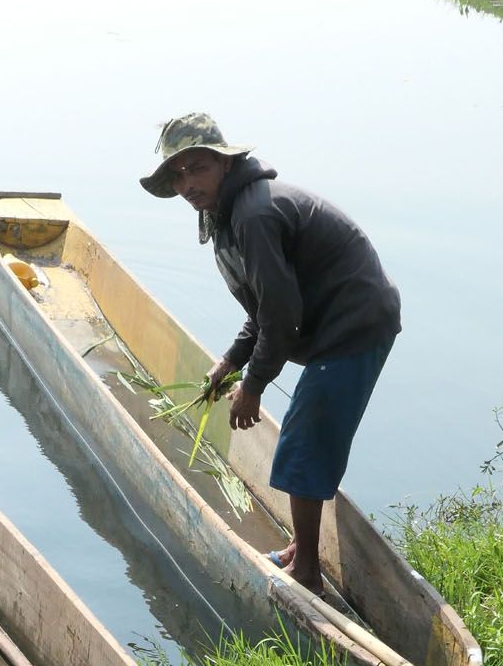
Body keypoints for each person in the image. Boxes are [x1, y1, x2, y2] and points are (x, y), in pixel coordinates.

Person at [140, 113, 400, 596]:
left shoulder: (254, 215)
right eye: (177, 175)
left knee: (304, 443)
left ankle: (306, 573)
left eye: (197, 168)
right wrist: (229, 364)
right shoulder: (229, 210)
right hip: (328, 324)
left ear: (224, 162)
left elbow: (281, 318)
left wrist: (253, 387)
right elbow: (264, 308)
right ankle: (302, 551)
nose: (188, 184)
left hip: (353, 326)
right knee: (308, 437)